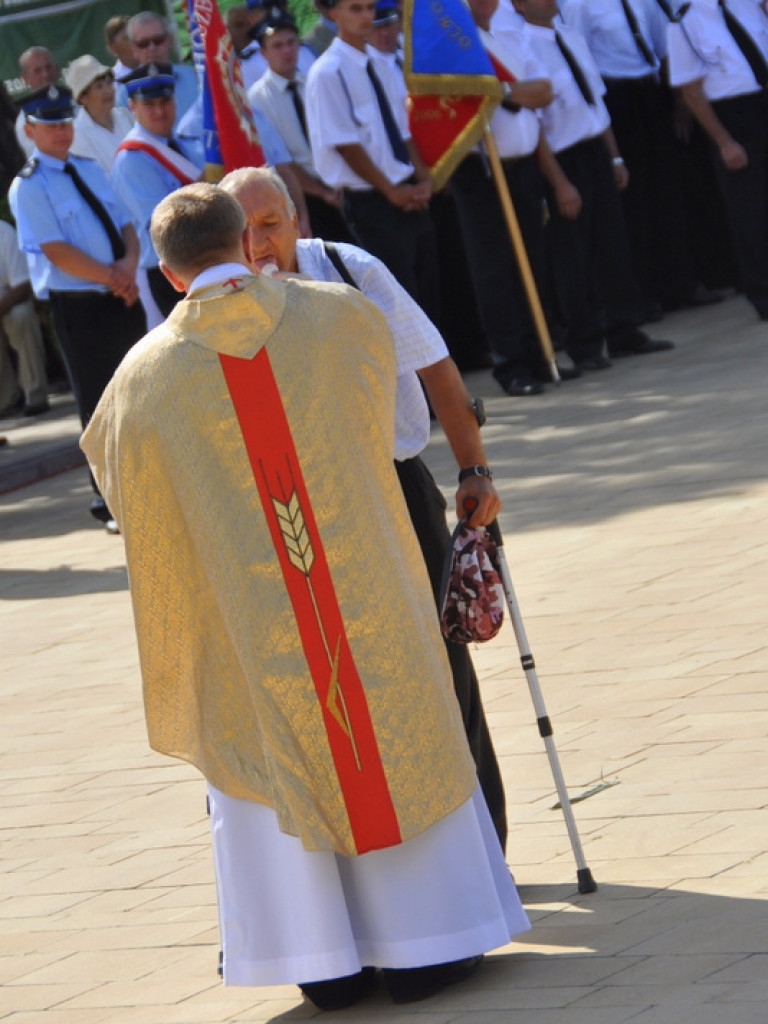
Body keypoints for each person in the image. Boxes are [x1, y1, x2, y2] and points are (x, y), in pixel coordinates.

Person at [80, 181, 530, 1009]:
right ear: (243, 244)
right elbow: (388, 431)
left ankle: (325, 960)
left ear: (168, 274)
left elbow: (122, 489)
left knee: (268, 749)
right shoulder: (340, 318)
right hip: (363, 600)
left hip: (254, 631)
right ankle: (430, 943)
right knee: (388, 731)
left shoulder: (138, 383)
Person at [221, 164, 508, 848]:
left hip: (392, 481)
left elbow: (436, 367)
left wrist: (474, 466)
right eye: (243, 232)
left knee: (441, 655)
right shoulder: (229, 302)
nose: (259, 245)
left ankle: (486, 840)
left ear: (299, 222)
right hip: (301, 505)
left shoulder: (350, 271)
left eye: (271, 225)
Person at [9, 84, 145, 529]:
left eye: (65, 122)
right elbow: (55, 250)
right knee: (98, 402)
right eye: (50, 125)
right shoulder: (28, 187)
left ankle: (147, 487)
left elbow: (124, 222)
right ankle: (109, 501)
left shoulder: (88, 168)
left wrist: (126, 265)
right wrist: (114, 276)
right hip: (78, 306)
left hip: (120, 295)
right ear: (29, 130)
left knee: (138, 396)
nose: (61, 131)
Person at [512, 0, 674, 367]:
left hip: (594, 149)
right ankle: (583, 343)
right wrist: (558, 182)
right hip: (561, 157)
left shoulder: (569, 34)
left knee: (613, 242)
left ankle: (624, 329)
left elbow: (595, 103)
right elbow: (534, 123)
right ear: (519, 5)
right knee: (573, 253)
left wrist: (614, 156)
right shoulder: (522, 46)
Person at [451, 0, 582, 395]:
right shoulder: (454, 47)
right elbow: (462, 104)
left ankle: (540, 353)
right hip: (482, 172)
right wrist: (512, 91)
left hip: (523, 165)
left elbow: (543, 92)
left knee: (532, 262)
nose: (484, 3)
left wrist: (501, 90)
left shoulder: (507, 38)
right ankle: (511, 364)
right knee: (496, 271)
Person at [559, 0, 722, 314]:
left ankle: (682, 282)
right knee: (634, 199)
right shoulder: (580, 5)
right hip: (616, 97)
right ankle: (647, 291)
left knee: (669, 190)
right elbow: (580, 60)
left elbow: (663, 50)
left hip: (650, 92)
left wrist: (679, 103)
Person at [305, 0, 440, 321]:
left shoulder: (380, 65)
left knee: (428, 290)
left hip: (407, 191)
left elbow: (403, 132)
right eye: (355, 8)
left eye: (369, 7)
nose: (366, 16)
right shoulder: (328, 72)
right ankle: (412, 372)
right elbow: (346, 145)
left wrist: (424, 181)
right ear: (333, 13)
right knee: (396, 298)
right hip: (371, 200)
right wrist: (392, 192)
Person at [667, 0, 768, 320]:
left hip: (763, 102)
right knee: (751, 213)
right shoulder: (684, 22)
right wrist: (723, 141)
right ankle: (764, 293)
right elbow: (692, 92)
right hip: (732, 116)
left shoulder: (750, 6)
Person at [111, 62, 203, 326]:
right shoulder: (132, 160)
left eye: (165, 101)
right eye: (149, 105)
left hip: (200, 262)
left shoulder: (187, 144)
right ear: (132, 107)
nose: (160, 111)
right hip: (171, 272)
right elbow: (165, 222)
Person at [248, 13, 351, 240]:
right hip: (307, 197)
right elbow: (281, 159)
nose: (286, 51)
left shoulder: (315, 82)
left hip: (343, 185)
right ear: (263, 53)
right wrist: (322, 192)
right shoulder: (257, 99)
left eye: (291, 43)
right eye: (277, 46)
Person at [0, 219, 49, 418]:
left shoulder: (3, 232)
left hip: (9, 304)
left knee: (23, 315)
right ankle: (5, 401)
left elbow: (23, 286)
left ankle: (35, 394)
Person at [118, 12, 198, 128]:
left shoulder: (195, 77)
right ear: (133, 49)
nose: (152, 48)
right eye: (143, 43)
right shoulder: (125, 94)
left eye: (158, 40)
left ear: (170, 40)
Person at [64, 55, 134, 174]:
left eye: (109, 83)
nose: (108, 90)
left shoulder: (124, 115)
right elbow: (98, 179)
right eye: (99, 86)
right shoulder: (77, 135)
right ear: (83, 97)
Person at [14, 47, 60, 158]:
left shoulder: (73, 102)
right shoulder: (26, 123)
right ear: (25, 78)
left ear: (56, 69)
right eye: (37, 71)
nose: (46, 74)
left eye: (48, 67)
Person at [104, 14, 139, 80]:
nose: (134, 42)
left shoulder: (155, 67)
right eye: (126, 38)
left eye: (135, 36)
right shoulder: (112, 81)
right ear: (112, 46)